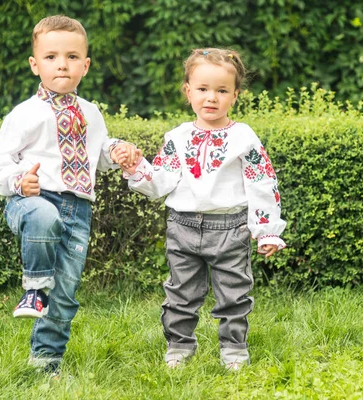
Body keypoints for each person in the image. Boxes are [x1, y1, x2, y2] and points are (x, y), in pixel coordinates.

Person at [0, 15, 140, 374]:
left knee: (66, 295)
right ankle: (35, 288)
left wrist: (117, 151)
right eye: (51, 56)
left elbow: (98, 155)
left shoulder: (91, 112)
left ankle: (45, 364)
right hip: (31, 202)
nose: (62, 64)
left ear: (85, 65)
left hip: (78, 211)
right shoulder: (25, 113)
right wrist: (19, 181)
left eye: (71, 57)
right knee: (44, 215)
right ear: (35, 64)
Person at [123, 48, 286, 371]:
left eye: (222, 91)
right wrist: (136, 167)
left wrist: (266, 230)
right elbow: (160, 181)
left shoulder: (243, 137)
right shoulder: (178, 138)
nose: (211, 98)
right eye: (202, 89)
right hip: (182, 227)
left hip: (230, 228)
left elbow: (261, 182)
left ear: (235, 95)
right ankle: (179, 346)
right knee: (180, 293)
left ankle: (234, 349)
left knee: (234, 294)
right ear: (188, 91)